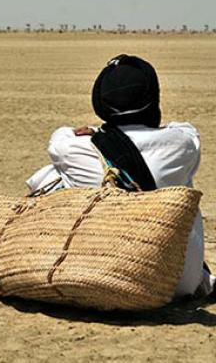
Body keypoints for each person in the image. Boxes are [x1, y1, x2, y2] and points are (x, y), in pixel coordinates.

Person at [27, 54, 214, 298]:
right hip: (178, 282)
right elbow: (184, 128)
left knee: (52, 176)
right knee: (181, 184)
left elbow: (60, 136)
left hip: (95, 275)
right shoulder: (183, 143)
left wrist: (94, 132)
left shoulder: (72, 149)